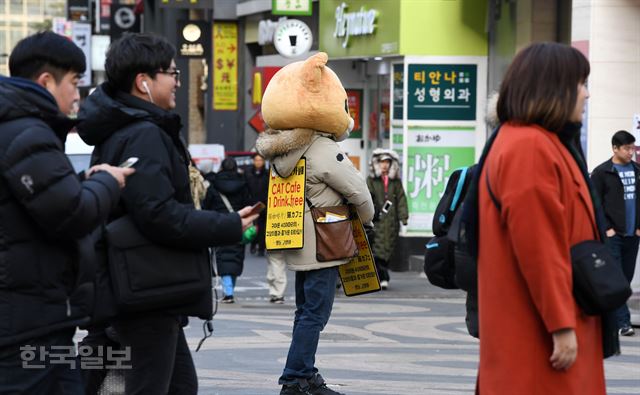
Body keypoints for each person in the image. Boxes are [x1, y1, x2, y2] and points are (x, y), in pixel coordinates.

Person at [76, 33, 258, 395]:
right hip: (147, 290)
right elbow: (157, 215)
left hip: (139, 286)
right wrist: (227, 224)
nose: (177, 80)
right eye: (171, 73)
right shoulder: (144, 134)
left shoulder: (122, 129)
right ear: (144, 82)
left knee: (176, 386)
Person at [0, 32, 131, 394]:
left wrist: (80, 181)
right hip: (27, 322)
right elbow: (72, 213)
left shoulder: (17, 128)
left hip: (39, 317)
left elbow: (39, 202)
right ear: (46, 81)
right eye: (74, 82)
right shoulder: (28, 133)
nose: (77, 94)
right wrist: (107, 182)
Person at [476, 42, 606, 394]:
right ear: (554, 87)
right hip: (537, 333)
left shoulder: (534, 142)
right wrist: (561, 326)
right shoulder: (529, 147)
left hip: (538, 324)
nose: (587, 94)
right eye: (581, 84)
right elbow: (540, 248)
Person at [256, 52, 374, 395]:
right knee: (316, 314)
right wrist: (365, 219)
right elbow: (358, 190)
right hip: (326, 242)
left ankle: (305, 373)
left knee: (303, 311)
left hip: (296, 239)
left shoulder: (282, 152)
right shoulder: (321, 148)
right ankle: (295, 378)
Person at [590, 130, 640, 337]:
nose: (631, 152)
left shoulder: (637, 170)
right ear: (615, 149)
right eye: (627, 148)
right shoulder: (602, 172)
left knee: (625, 278)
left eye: (632, 148)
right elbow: (595, 204)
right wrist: (606, 229)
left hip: (632, 234)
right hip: (613, 235)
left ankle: (608, 315)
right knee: (618, 278)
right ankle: (623, 322)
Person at [204, 157, 254, 303]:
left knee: (222, 256)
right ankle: (230, 288)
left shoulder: (214, 184)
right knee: (236, 256)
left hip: (219, 223)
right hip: (239, 222)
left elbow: (207, 204)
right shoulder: (243, 183)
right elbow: (248, 203)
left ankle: (228, 291)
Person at [366, 149, 409, 290]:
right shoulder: (371, 180)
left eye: (387, 162)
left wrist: (403, 217)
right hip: (376, 220)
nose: (384, 165)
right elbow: (367, 197)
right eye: (382, 162)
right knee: (377, 249)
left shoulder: (395, 182)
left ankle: (382, 275)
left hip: (391, 222)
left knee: (388, 249)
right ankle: (382, 277)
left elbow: (401, 199)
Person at [245, 153, 269, 256]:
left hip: (264, 204)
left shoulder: (267, 174)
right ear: (253, 161)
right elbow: (246, 189)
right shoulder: (248, 174)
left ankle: (261, 248)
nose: (258, 162)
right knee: (253, 225)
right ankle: (253, 244)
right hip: (252, 204)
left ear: (263, 162)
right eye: (256, 160)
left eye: (260, 160)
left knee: (263, 227)